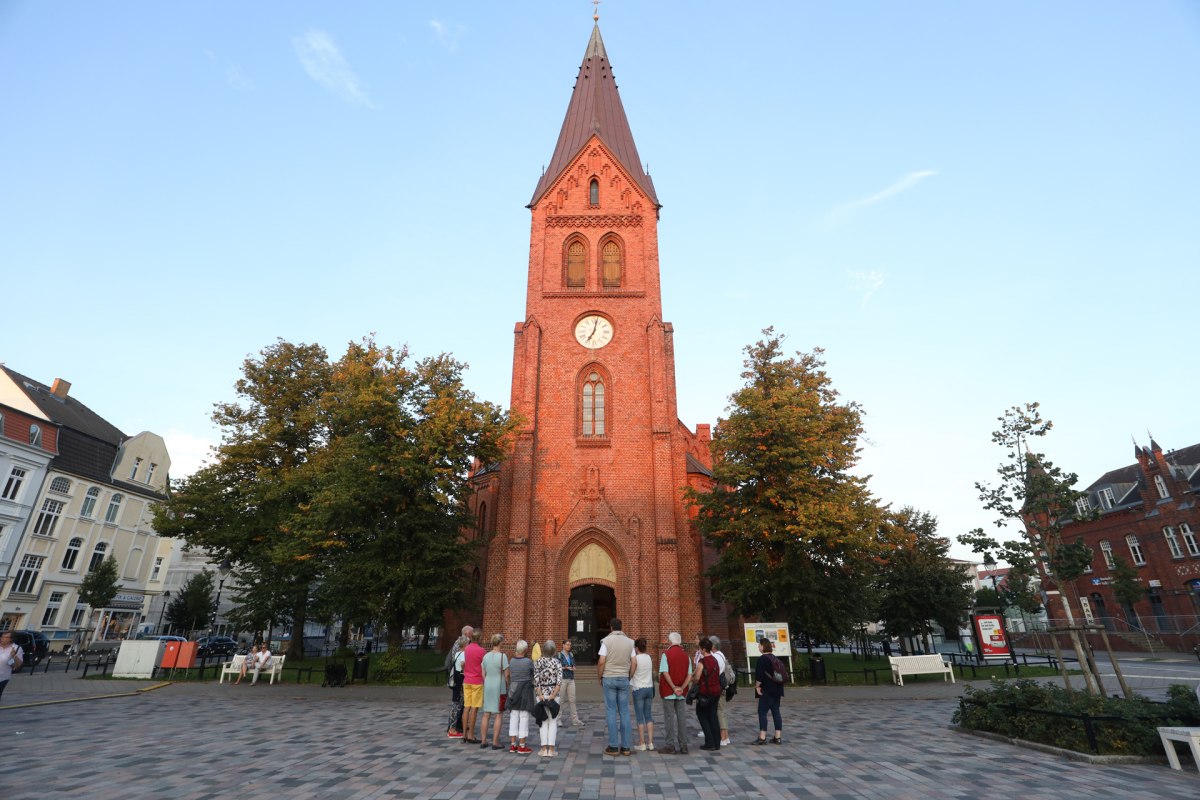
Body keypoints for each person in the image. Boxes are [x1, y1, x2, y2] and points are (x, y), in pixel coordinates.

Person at [597, 617, 635, 756]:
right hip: (624, 678)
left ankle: (613, 746)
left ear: (611, 628)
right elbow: (634, 662)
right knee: (625, 712)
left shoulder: (606, 641)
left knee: (611, 711)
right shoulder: (630, 642)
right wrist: (628, 675)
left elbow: (601, 661)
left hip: (609, 678)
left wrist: (600, 676)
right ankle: (626, 747)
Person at [657, 631, 691, 754]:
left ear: (669, 641)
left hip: (669, 691)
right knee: (681, 718)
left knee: (669, 718)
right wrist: (681, 687)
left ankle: (670, 745)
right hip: (681, 693)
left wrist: (673, 687)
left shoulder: (666, 654)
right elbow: (689, 675)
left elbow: (665, 672)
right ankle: (683, 745)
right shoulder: (686, 656)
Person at [690, 637, 722, 752]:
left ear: (703, 649)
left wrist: (692, 679)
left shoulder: (702, 662)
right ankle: (717, 742)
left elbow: (697, 678)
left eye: (700, 648)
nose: (699, 650)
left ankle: (709, 742)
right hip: (716, 691)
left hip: (705, 693)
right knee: (713, 716)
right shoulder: (715, 660)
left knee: (702, 715)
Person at [479, 633, 510, 751]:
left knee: (486, 713)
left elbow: (483, 673)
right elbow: (506, 674)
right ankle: (495, 741)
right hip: (499, 685)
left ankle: (483, 740)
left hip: (488, 684)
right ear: (500, 643)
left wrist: (487, 681)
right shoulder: (503, 656)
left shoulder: (486, 656)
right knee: (498, 713)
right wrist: (507, 684)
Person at [534, 639, 563, 757]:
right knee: (553, 721)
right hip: (553, 695)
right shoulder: (557, 663)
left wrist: (540, 695)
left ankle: (543, 749)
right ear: (554, 651)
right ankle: (551, 749)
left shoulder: (538, 662)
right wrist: (553, 695)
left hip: (541, 695)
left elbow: (536, 681)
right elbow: (559, 682)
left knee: (543, 722)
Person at [752, 637, 784, 745]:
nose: (758, 647)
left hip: (767, 689)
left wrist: (757, 687)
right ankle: (778, 737)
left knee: (762, 712)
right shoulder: (775, 658)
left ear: (763, 646)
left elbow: (759, 676)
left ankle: (762, 737)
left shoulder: (762, 659)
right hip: (778, 689)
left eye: (759, 645)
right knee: (776, 712)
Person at [506, 640, 535, 755]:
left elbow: (510, 675)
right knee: (524, 717)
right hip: (525, 691)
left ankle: (513, 744)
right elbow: (533, 674)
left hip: (513, 690)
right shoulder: (528, 662)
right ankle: (522, 745)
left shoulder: (512, 661)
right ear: (525, 650)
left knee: (513, 716)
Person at [461, 630, 486, 744]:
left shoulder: (466, 649)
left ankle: (464, 734)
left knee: (467, 707)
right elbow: (484, 666)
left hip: (466, 680)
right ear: (479, 638)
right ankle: (471, 734)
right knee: (475, 708)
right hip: (477, 681)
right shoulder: (482, 651)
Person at [630, 637, 655, 751]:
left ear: (636, 648)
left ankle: (642, 743)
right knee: (648, 716)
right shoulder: (649, 657)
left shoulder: (635, 659)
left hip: (638, 688)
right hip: (649, 688)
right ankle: (650, 742)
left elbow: (632, 672)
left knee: (640, 717)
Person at [709, 635, 732, 747]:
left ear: (713, 646)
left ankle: (723, 737)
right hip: (723, 687)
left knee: (720, 712)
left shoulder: (716, 657)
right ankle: (726, 736)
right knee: (722, 711)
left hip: (719, 687)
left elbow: (715, 672)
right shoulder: (721, 654)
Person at [446, 634, 470, 738]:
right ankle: (452, 730)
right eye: (468, 644)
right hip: (460, 681)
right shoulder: (464, 654)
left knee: (455, 704)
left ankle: (452, 727)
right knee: (457, 705)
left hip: (455, 681)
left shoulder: (457, 654)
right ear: (465, 645)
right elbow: (463, 665)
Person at [557, 639, 583, 726]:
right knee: (561, 700)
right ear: (563, 645)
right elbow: (556, 667)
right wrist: (565, 668)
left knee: (572, 699)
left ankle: (575, 720)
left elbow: (573, 664)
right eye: (567, 645)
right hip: (563, 679)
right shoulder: (559, 655)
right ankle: (558, 719)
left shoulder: (571, 654)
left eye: (570, 645)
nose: (569, 646)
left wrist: (574, 667)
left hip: (571, 679)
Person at [0, 631, 24, 701]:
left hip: (2, 677)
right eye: (2, 636)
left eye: (5, 637)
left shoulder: (16, 648)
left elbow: (17, 665)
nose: (2, 638)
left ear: (11, 639)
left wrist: (14, 656)